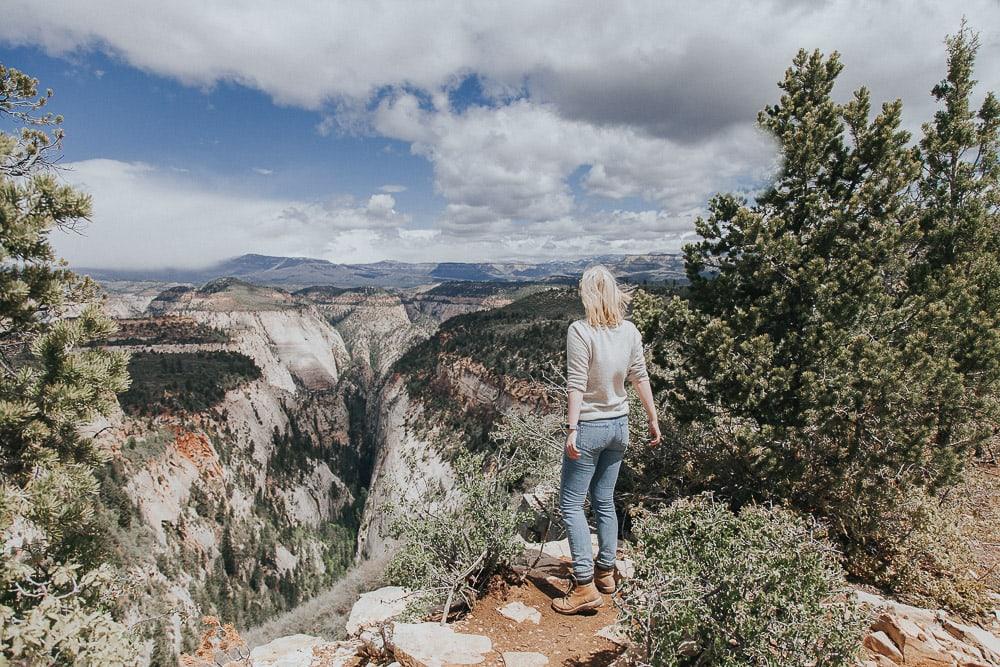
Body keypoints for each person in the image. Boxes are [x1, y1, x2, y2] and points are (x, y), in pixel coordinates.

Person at [551, 265, 661, 615]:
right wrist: (653, 417)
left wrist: (571, 429)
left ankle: (583, 585)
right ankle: (606, 573)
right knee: (604, 498)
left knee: (570, 503)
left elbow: (576, 384)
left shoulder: (580, 331)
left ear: (587, 295)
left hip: (590, 427)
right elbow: (639, 375)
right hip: (620, 426)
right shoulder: (629, 331)